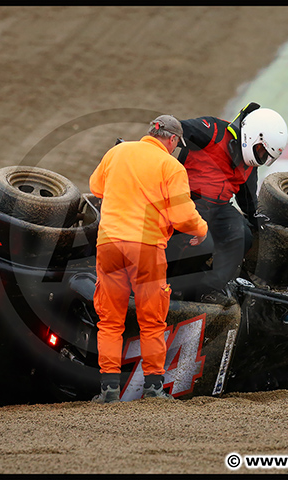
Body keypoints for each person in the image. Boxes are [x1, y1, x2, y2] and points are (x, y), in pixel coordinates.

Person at [89, 114, 208, 404]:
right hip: (146, 248)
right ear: (171, 140)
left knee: (110, 320)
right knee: (152, 320)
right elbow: (182, 216)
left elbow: (96, 187)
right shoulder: (171, 166)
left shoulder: (117, 152)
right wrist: (201, 230)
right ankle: (154, 388)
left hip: (109, 244)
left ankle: (108, 390)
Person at [167, 102, 288, 307]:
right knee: (200, 242)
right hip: (184, 199)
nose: (261, 158)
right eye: (261, 151)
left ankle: (209, 290)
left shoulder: (250, 165)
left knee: (243, 233)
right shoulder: (213, 130)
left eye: (266, 156)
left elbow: (249, 201)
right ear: (252, 136)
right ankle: (171, 285)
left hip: (217, 208)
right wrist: (149, 150)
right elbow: (173, 131)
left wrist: (258, 222)